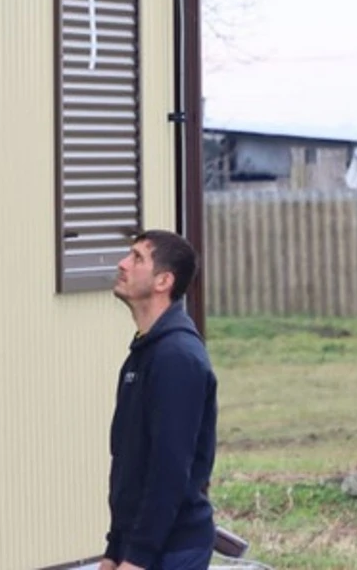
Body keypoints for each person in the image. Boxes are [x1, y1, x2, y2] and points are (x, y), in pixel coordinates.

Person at [101, 230, 220, 570]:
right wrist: (115, 548)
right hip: (142, 547)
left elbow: (169, 468)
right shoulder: (144, 353)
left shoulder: (177, 357)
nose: (122, 264)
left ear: (163, 280)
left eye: (138, 258)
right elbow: (131, 463)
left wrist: (137, 557)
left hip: (171, 551)